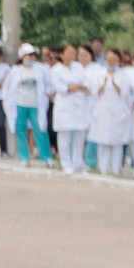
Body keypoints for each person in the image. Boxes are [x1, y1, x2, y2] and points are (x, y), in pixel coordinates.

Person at [50, 44, 93, 174]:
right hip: (64, 106)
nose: (72, 56)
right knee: (64, 136)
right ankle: (66, 163)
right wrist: (77, 86)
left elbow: (86, 84)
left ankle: (78, 163)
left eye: (73, 53)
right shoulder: (56, 69)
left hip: (79, 106)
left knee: (79, 136)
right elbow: (61, 89)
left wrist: (75, 87)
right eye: (69, 53)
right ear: (62, 55)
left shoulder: (78, 67)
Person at [90, 50, 134, 175]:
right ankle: (103, 169)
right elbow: (94, 92)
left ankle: (116, 170)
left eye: (114, 59)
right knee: (103, 142)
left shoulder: (123, 75)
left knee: (117, 143)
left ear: (118, 60)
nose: (111, 61)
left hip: (118, 113)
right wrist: (103, 85)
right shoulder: (99, 73)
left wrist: (115, 84)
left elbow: (125, 93)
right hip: (103, 112)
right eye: (109, 58)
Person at [6, 44, 47, 164]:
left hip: (35, 104)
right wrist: (7, 99)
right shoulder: (15, 70)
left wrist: (47, 94)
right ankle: (24, 156)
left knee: (39, 129)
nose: (33, 57)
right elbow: (8, 87)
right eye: (30, 55)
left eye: (34, 55)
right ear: (23, 56)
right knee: (21, 130)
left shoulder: (39, 69)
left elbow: (48, 82)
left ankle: (45, 156)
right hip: (21, 104)